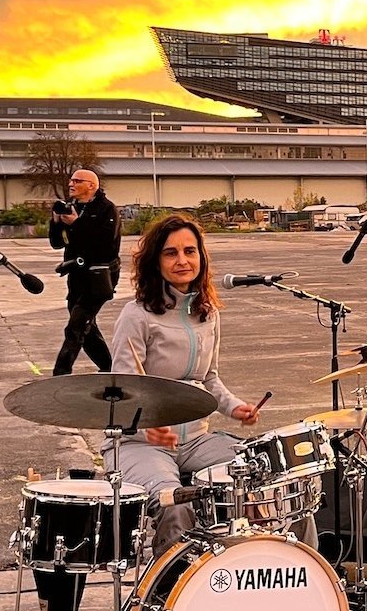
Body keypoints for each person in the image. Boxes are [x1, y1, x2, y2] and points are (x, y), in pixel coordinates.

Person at [108, 213, 262, 554]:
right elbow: (122, 389)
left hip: (195, 440)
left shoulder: (208, 313)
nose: (182, 260)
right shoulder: (136, 315)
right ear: (155, 261)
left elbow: (209, 378)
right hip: (139, 445)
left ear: (201, 257)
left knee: (263, 474)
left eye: (190, 251)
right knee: (174, 503)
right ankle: (172, 593)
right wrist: (146, 426)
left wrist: (236, 407)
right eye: (170, 252)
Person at [48, 169, 121, 375]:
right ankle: (110, 368)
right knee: (85, 328)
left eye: (77, 181)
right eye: (70, 180)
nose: (71, 184)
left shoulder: (107, 209)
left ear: (91, 185)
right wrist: (56, 223)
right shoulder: (72, 208)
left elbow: (105, 244)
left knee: (76, 326)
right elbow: (57, 243)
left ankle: (60, 372)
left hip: (100, 276)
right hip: (77, 275)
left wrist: (78, 224)